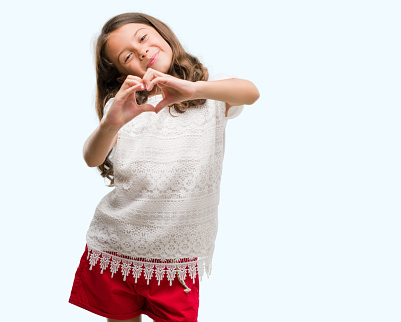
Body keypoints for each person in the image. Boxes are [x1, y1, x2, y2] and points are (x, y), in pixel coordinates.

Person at [68, 12, 259, 322]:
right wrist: (112, 121)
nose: (142, 51)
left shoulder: (209, 94)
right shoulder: (123, 105)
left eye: (142, 38)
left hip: (176, 261)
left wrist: (194, 89)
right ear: (120, 75)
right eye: (127, 55)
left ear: (162, 34)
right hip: (117, 249)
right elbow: (92, 157)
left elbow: (250, 92)